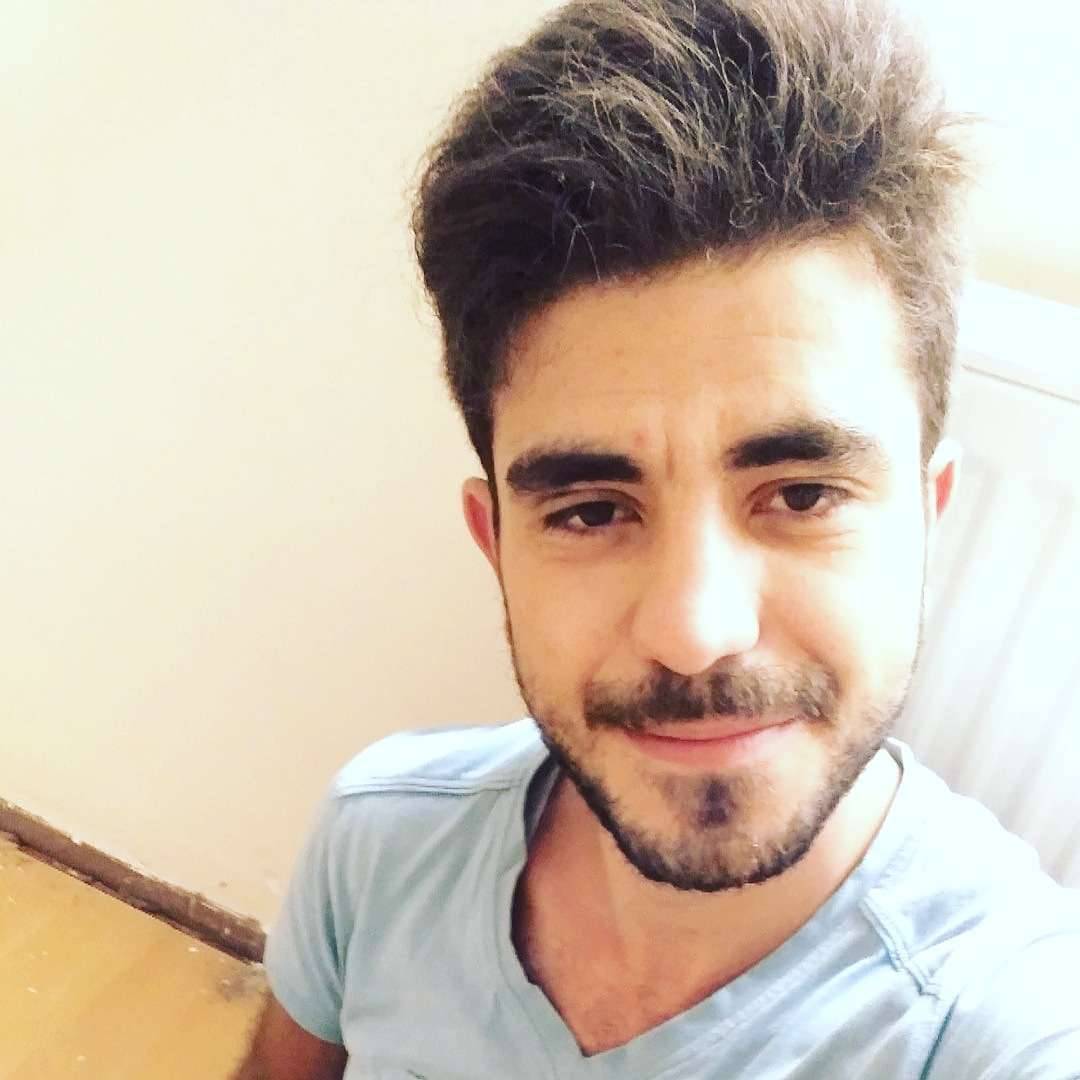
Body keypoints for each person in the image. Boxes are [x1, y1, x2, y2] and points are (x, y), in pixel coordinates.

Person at [234, 0, 1080, 1076]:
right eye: (591, 510)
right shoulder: (379, 842)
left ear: (929, 513)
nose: (694, 631)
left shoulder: (1002, 1028)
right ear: (497, 547)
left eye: (802, 494)